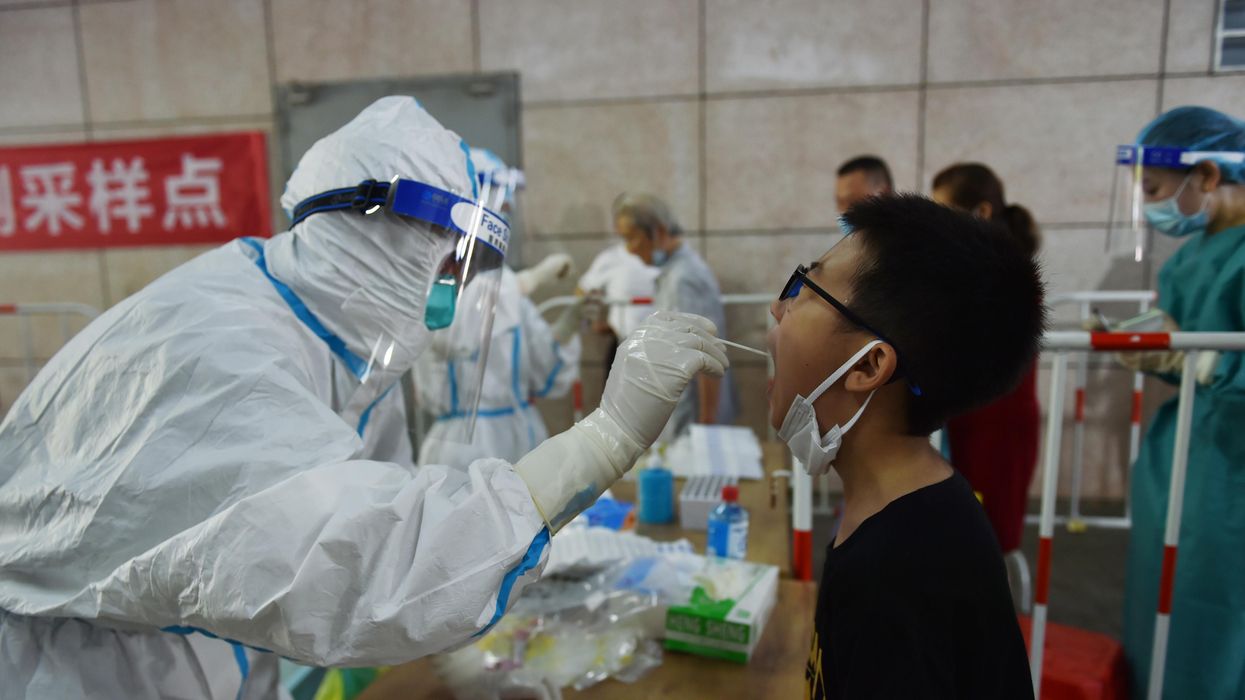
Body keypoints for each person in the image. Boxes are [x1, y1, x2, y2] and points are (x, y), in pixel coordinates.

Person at [0, 97, 728, 699]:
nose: (450, 287)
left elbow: (375, 490)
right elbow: (364, 570)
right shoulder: (216, 352)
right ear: (374, 237)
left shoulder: (325, 332)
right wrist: (603, 438)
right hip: (83, 672)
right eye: (442, 263)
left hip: (182, 655)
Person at [770, 195, 1043, 699]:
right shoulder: (903, 511)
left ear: (868, 366)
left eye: (805, 289)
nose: (777, 308)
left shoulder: (896, 575)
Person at [1116, 106, 1245, 700]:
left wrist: (1201, 359)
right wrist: (1160, 349)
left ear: (1209, 177)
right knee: (1162, 593)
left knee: (1216, 605)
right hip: (1183, 455)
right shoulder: (1194, 257)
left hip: (1230, 467)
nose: (1150, 206)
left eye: (1155, 188)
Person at [414, 149, 583, 469]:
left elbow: (546, 379)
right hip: (463, 447)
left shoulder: (508, 293)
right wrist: (528, 281)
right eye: (498, 209)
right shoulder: (437, 279)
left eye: (507, 210)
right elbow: (454, 334)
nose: (503, 221)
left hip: (524, 436)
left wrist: (565, 330)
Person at [930, 163, 1041, 558]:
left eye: (945, 211)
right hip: (970, 411)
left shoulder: (1006, 269)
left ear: (981, 212)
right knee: (960, 527)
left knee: (988, 535)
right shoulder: (973, 265)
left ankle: (988, 613)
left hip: (999, 419)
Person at [613, 192, 735, 440]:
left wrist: (706, 424)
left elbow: (706, 352)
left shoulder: (684, 279)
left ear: (658, 231)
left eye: (632, 238)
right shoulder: (672, 274)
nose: (629, 249)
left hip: (694, 416)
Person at [577, 241, 658, 374]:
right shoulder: (612, 258)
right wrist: (592, 321)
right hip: (623, 341)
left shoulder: (666, 258)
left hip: (661, 344)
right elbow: (583, 290)